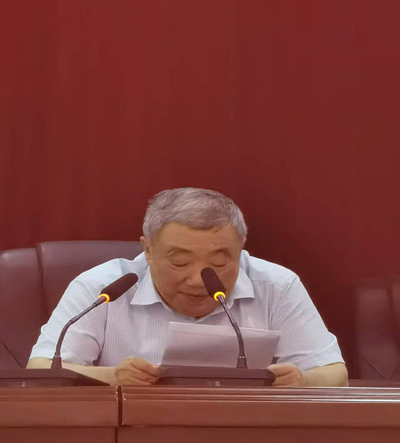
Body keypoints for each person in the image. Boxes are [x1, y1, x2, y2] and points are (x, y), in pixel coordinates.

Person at [28, 188, 348, 387]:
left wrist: (302, 380)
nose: (198, 280)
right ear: (148, 250)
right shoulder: (103, 287)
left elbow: (335, 375)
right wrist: (112, 377)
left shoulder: (276, 285)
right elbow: (41, 371)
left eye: (220, 262)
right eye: (180, 262)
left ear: (241, 248)